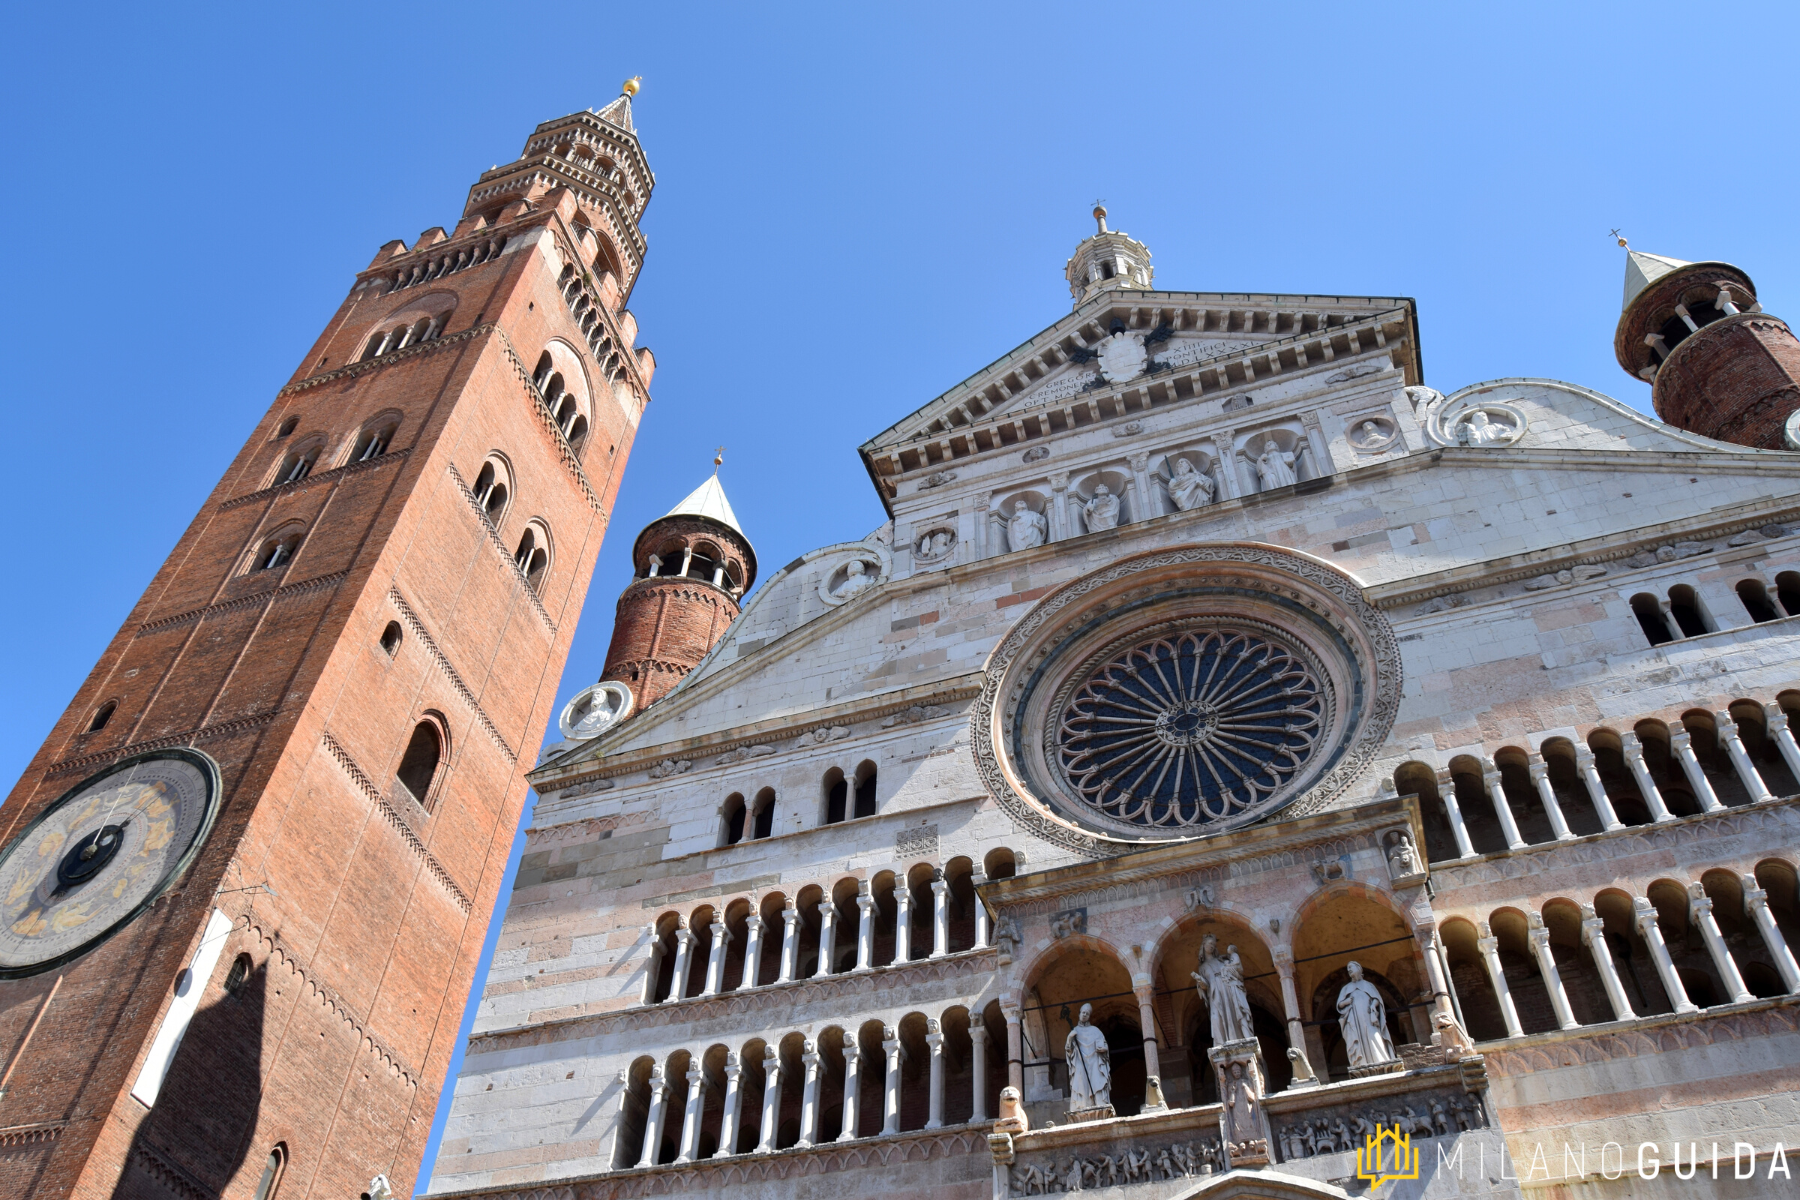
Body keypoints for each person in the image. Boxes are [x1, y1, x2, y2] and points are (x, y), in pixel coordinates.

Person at [1191, 934, 1254, 1045]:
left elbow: (1234, 971)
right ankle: (1222, 1043)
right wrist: (1199, 980)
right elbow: (1206, 986)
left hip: (1228, 989)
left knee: (1234, 1012)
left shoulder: (1221, 961)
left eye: (1214, 945)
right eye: (1210, 944)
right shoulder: (1202, 967)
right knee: (1216, 1017)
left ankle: (1239, 1039)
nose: (1212, 946)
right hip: (1215, 994)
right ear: (1203, 945)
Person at [1335, 961, 1397, 1067]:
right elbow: (1340, 1004)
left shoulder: (1368, 985)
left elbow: (1376, 998)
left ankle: (1380, 1060)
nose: (1349, 970)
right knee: (1357, 1038)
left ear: (1358, 968)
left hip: (1369, 1016)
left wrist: (1373, 1005)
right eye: (1348, 968)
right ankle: (1361, 1063)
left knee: (1374, 1035)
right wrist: (1347, 1001)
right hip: (1354, 1018)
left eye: (1351, 967)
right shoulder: (1346, 988)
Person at [1064, 1002, 1111, 1112]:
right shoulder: (1074, 1031)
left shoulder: (1095, 1031)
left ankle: (1100, 1103)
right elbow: (1069, 1051)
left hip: (1095, 1061)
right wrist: (1070, 1038)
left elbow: (1104, 1046)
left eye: (1087, 1013)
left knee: (1097, 1078)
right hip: (1080, 1061)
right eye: (1083, 1013)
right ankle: (1082, 1106)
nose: (1084, 1015)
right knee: (1080, 1079)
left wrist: (1104, 1049)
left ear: (1089, 1016)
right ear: (1079, 1014)